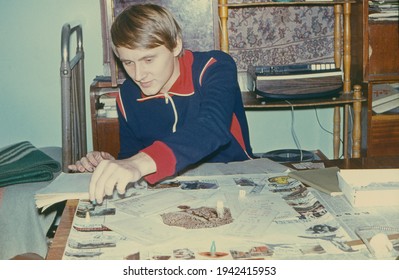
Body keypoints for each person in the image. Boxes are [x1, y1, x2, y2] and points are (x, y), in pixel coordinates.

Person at [69, 4, 253, 204]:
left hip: (234, 181)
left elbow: (211, 127)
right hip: (170, 193)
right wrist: (115, 166)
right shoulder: (127, 95)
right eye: (128, 63)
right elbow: (132, 155)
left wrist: (138, 163)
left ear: (176, 45)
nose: (138, 75)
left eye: (148, 59)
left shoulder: (214, 67)